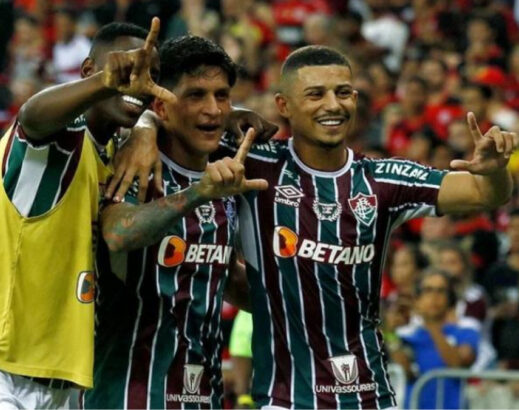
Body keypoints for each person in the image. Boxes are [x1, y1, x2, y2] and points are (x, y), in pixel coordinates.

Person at [134, 44, 517, 409]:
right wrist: (146, 127)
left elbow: (485, 192)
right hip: (283, 398)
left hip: (371, 396)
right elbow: (181, 118)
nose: (333, 105)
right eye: (315, 94)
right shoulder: (252, 164)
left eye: (344, 92)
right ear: (284, 105)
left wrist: (496, 172)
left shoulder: (384, 179)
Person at [0, 19, 177, 409]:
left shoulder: (114, 153)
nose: (137, 80)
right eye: (125, 66)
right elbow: (32, 116)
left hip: (56, 375)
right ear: (89, 71)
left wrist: (147, 125)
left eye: (150, 74)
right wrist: (108, 83)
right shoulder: (60, 136)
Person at [84, 35, 267, 409]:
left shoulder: (227, 174)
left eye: (222, 96)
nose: (214, 110)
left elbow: (221, 274)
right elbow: (117, 233)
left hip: (204, 394)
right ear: (163, 108)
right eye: (196, 95)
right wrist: (197, 193)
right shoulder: (137, 161)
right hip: (127, 394)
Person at [393, 270, 479, 409]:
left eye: (441, 291)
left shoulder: (466, 333)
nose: (434, 296)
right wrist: (389, 332)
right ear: (417, 299)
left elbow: (457, 364)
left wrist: (431, 324)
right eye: (428, 290)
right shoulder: (407, 338)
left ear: (450, 298)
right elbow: (405, 372)